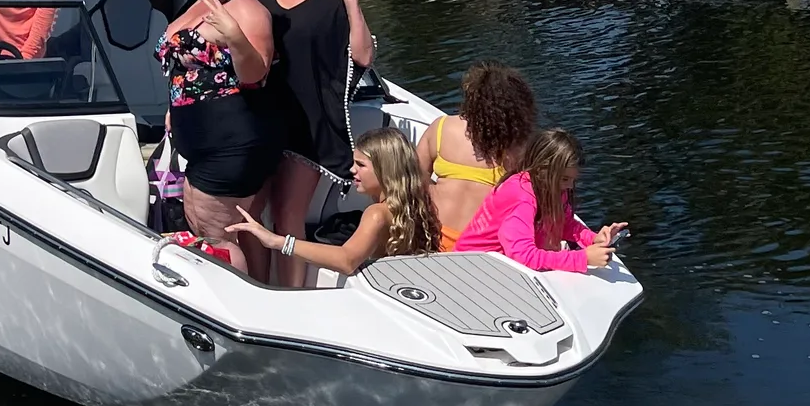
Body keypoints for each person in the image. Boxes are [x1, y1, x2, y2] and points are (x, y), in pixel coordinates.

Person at [154, 0, 280, 268]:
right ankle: (250, 291)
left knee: (216, 236)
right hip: (201, 141)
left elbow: (256, 74)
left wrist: (235, 37)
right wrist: (173, 107)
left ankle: (238, 299)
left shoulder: (249, 11)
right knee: (211, 228)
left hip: (232, 143)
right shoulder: (203, 2)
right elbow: (185, 68)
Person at [265, 0, 377, 249]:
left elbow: (363, 56)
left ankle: (292, 283)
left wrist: (351, 0)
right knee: (251, 211)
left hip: (309, 128)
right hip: (261, 118)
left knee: (287, 216)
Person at [228, 126, 436, 279]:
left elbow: (347, 261)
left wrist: (277, 242)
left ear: (385, 170)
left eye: (361, 165)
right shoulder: (416, 202)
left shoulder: (376, 214)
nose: (352, 170)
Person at [446, 127, 624, 272]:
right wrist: (582, 259)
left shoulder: (553, 187)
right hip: (471, 268)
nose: (570, 186)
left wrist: (593, 239)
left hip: (500, 266)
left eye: (572, 180)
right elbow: (524, 256)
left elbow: (564, 224)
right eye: (564, 179)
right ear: (542, 170)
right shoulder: (522, 198)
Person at [416, 61, 537, 246]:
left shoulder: (442, 128)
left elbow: (412, 179)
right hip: (483, 245)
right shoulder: (519, 149)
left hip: (434, 236)